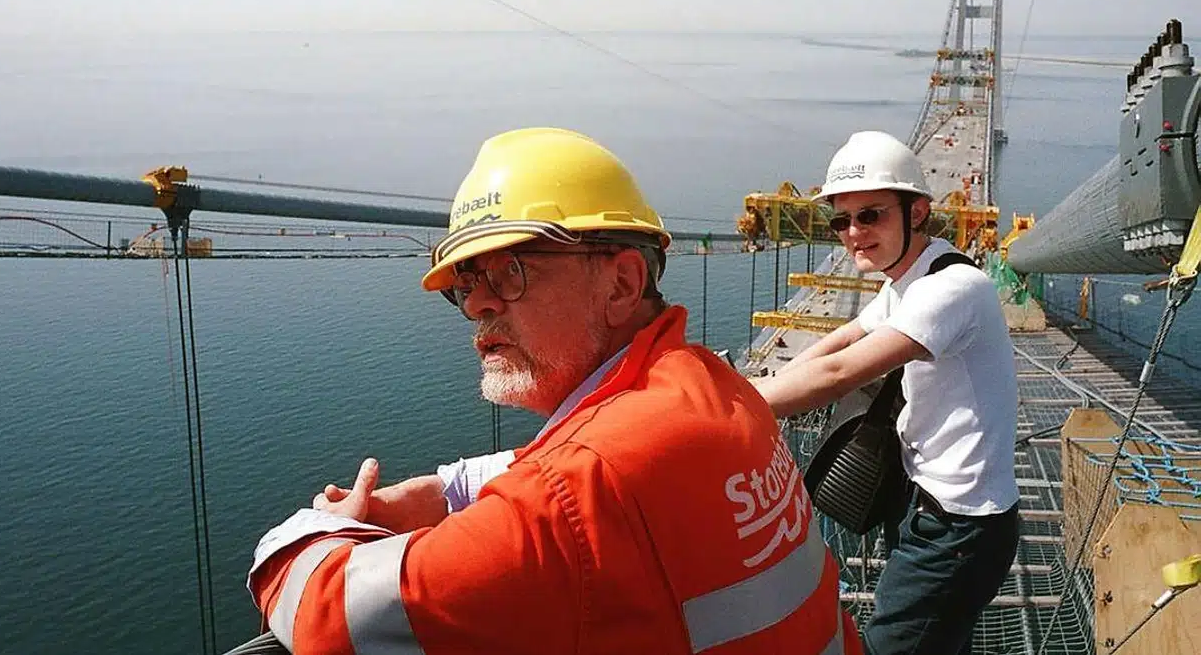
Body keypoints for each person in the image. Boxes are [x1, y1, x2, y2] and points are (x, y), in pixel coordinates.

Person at [247, 127, 861, 654]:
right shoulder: (707, 383)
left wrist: (313, 528)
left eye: (509, 271)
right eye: (466, 284)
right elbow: (588, 465)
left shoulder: (578, 490)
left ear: (621, 283)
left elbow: (330, 614)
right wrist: (445, 491)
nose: (478, 303)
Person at [751, 131, 1021, 655]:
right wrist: (746, 386)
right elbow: (840, 341)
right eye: (840, 220)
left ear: (916, 211)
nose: (853, 233)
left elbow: (840, 374)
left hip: (960, 531)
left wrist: (724, 406)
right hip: (925, 507)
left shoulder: (951, 288)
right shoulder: (909, 278)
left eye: (871, 215)